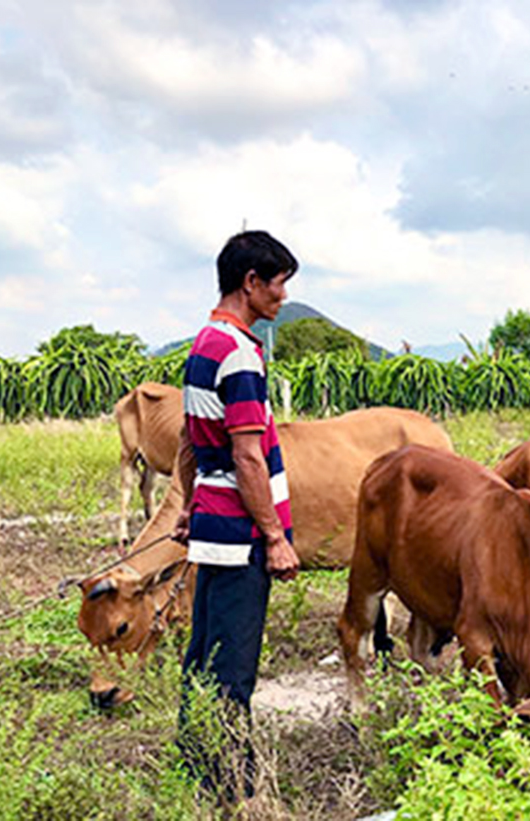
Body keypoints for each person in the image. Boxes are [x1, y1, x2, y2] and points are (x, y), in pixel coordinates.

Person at [173, 230, 302, 799]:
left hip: (212, 523)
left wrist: (190, 504)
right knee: (233, 669)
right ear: (250, 283)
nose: (282, 299)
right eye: (278, 286)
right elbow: (247, 453)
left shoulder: (203, 343)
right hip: (240, 533)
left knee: (203, 655)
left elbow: (190, 440)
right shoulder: (240, 354)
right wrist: (274, 536)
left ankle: (194, 766)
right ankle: (229, 788)